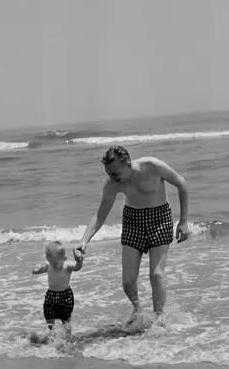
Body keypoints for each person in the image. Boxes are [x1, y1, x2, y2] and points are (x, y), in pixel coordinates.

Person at [77, 145, 189, 325]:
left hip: (160, 218)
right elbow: (100, 214)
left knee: (156, 274)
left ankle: (158, 320)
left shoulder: (152, 166)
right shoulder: (112, 184)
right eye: (108, 173)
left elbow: (182, 184)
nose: (112, 178)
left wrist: (183, 221)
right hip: (132, 221)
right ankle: (138, 311)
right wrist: (83, 241)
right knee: (128, 282)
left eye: (115, 173)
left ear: (128, 163)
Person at [32, 240, 83, 339]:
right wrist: (36, 271)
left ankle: (68, 337)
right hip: (51, 295)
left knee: (65, 319)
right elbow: (43, 268)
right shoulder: (49, 266)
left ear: (64, 258)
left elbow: (77, 267)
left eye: (55, 262)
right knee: (49, 315)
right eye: (50, 262)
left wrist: (79, 260)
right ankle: (52, 334)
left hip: (65, 296)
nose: (52, 265)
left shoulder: (67, 266)